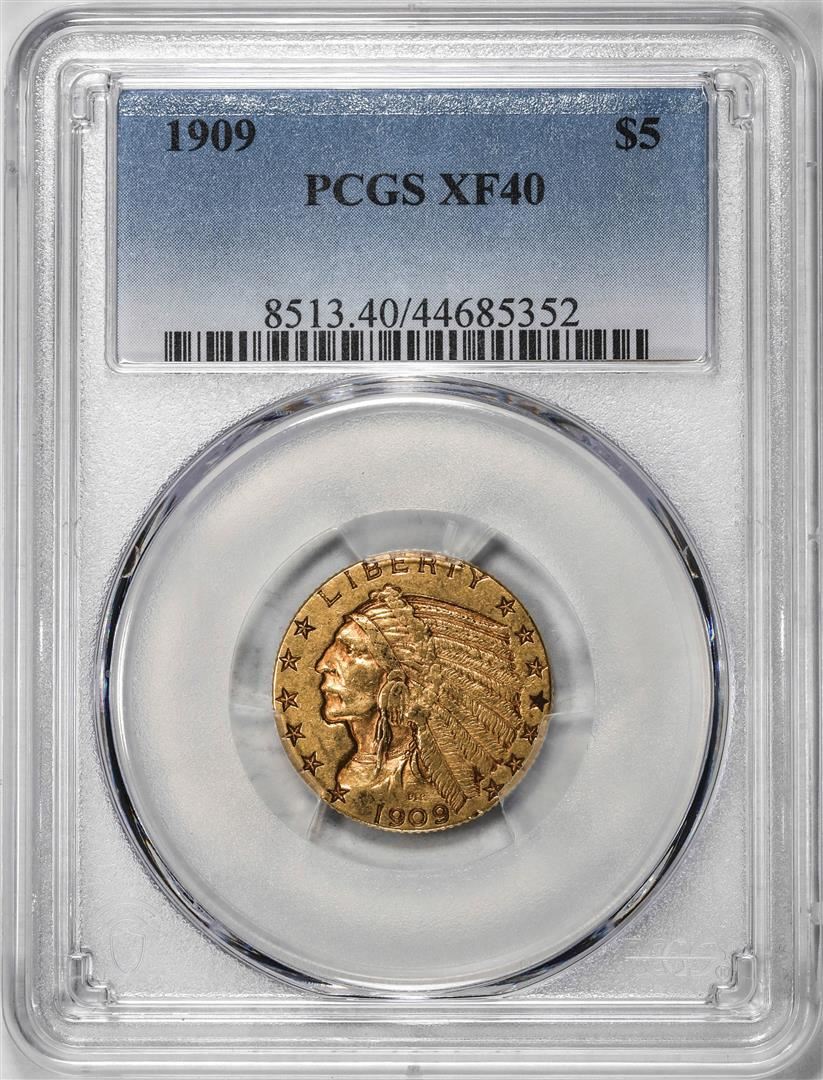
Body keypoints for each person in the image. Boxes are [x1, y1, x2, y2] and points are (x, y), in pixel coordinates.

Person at [315, 584, 522, 810]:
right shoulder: (354, 772)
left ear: (397, 678)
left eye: (350, 650)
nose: (323, 665)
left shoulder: (415, 779)